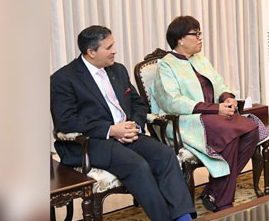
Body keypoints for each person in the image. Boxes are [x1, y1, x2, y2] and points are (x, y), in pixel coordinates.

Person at [50, 26, 195, 221]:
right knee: (138, 165)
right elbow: (66, 120)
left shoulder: (117, 70)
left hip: (128, 133)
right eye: (108, 47)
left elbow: (138, 102)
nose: (114, 51)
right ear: (91, 52)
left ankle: (183, 217)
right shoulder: (63, 79)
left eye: (113, 45)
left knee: (165, 155)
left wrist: (134, 124)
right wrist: (110, 130)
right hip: (93, 142)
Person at [152, 15, 260, 212]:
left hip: (214, 117)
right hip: (185, 121)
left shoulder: (200, 59)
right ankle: (223, 204)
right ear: (180, 40)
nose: (201, 38)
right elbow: (172, 101)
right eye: (196, 34)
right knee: (230, 134)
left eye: (200, 33)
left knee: (252, 130)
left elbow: (218, 83)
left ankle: (214, 189)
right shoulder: (166, 65)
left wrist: (227, 97)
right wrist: (214, 109)